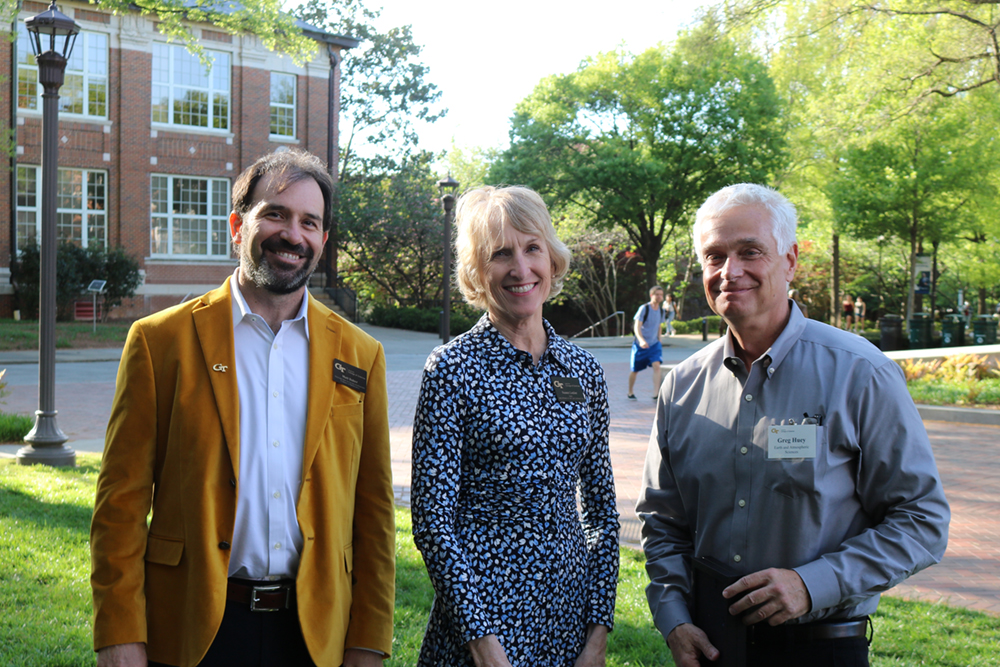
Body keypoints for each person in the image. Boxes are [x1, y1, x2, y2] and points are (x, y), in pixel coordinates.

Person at [90, 149, 396, 667]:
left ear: (322, 240)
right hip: (192, 630)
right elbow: (119, 506)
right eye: (275, 213)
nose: (292, 234)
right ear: (237, 225)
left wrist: (368, 643)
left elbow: (374, 513)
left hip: (315, 634)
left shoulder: (360, 355)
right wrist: (120, 637)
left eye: (309, 222)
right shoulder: (158, 341)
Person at [636, 183, 950, 667]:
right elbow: (663, 522)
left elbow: (922, 521)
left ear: (790, 261)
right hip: (710, 650)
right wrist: (673, 618)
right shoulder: (681, 387)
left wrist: (813, 584)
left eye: (750, 252)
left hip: (820, 648)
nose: (729, 272)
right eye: (714, 256)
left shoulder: (861, 373)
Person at [410, 185, 619, 667]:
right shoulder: (451, 370)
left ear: (552, 258)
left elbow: (604, 515)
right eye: (500, 254)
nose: (521, 269)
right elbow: (433, 524)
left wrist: (598, 630)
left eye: (532, 248)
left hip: (568, 626)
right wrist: (484, 646)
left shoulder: (582, 371)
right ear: (477, 272)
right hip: (480, 629)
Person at [628, 286, 669, 400]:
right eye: (657, 294)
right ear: (652, 295)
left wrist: (659, 339)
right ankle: (630, 391)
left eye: (661, 294)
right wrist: (641, 340)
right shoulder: (644, 308)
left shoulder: (661, 310)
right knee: (635, 369)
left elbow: (659, 325)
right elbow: (637, 326)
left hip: (654, 344)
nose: (659, 296)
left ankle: (656, 393)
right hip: (640, 345)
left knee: (657, 366)